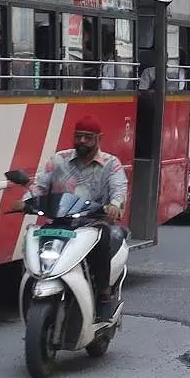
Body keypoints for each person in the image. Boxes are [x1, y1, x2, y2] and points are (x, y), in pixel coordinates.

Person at [28, 117, 128, 316]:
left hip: (93, 224)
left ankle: (104, 293)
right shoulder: (58, 160)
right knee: (34, 243)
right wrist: (26, 201)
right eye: (78, 136)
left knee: (102, 241)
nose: (82, 141)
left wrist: (115, 206)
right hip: (60, 222)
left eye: (88, 137)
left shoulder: (111, 164)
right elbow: (40, 186)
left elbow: (119, 190)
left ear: (99, 139)